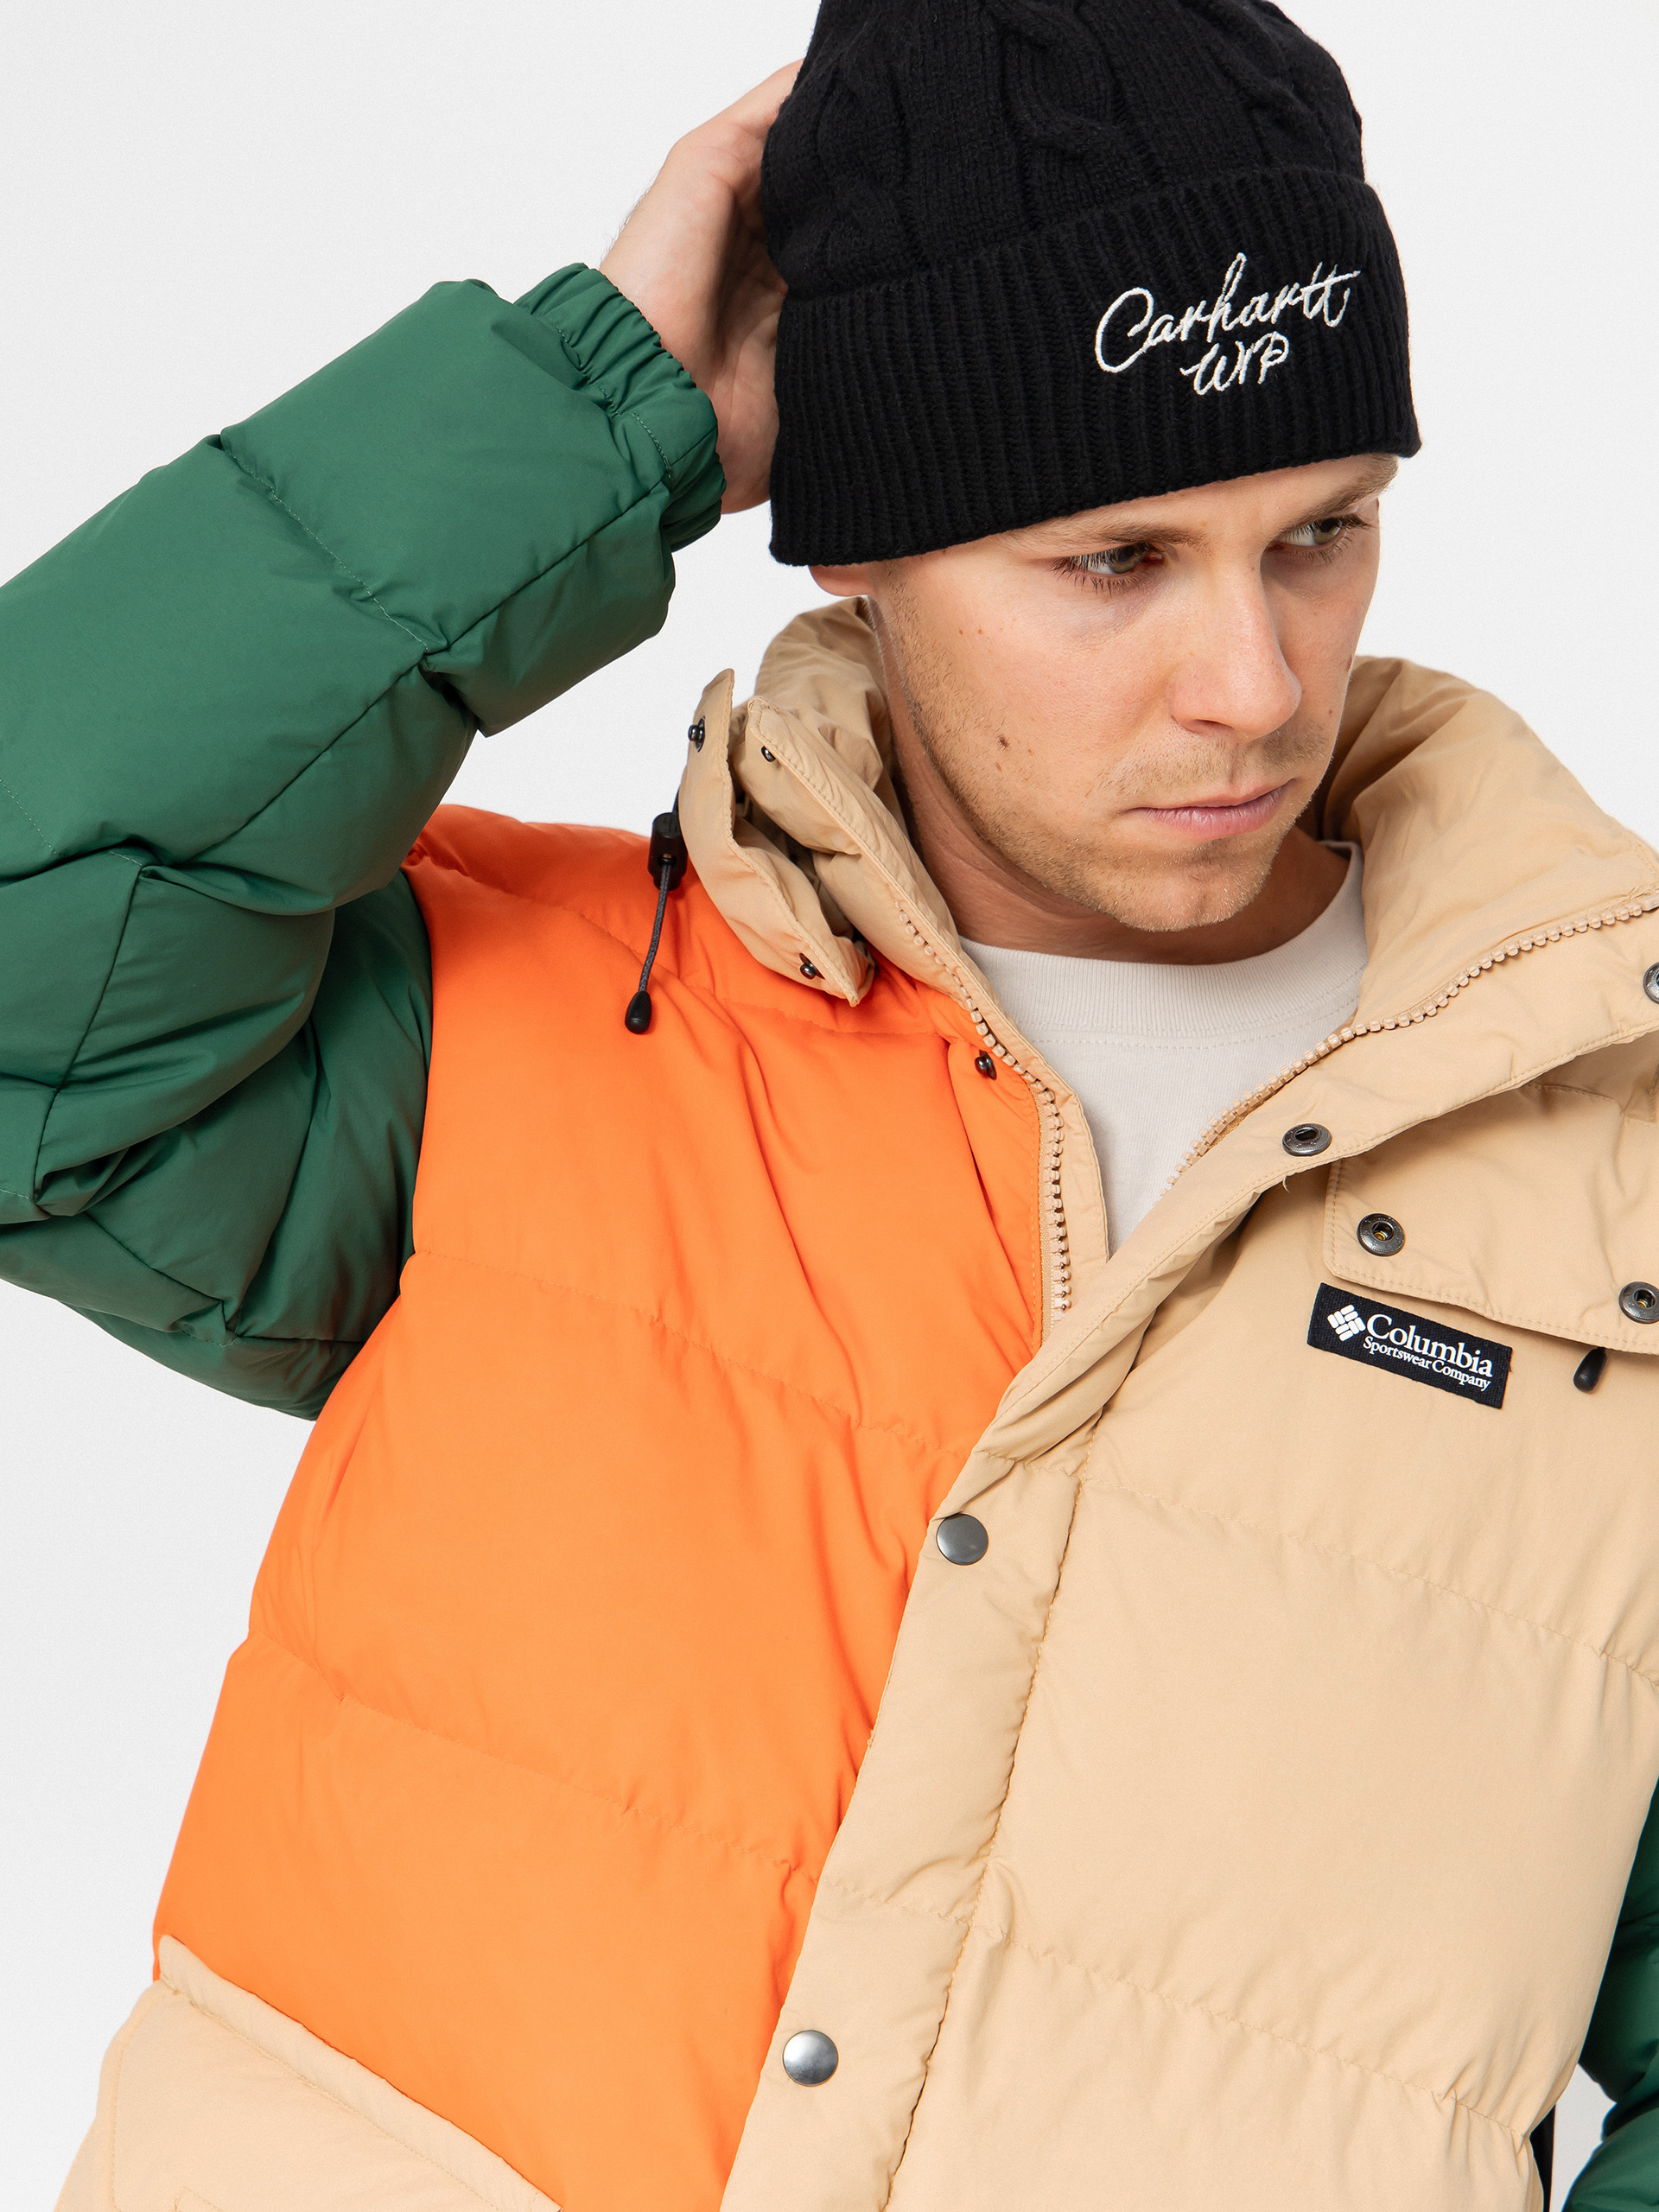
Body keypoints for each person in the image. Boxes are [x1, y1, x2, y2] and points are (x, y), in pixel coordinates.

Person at [5, 3, 1658, 2207]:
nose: (1252, 682)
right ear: (854, 547)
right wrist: (605, 421)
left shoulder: (1618, 1171)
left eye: (1321, 531)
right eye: (1114, 558)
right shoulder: (517, 1026)